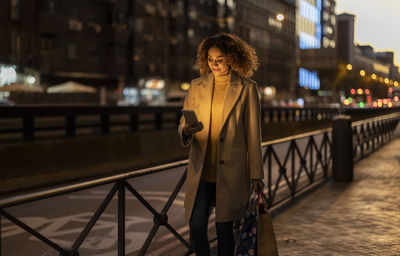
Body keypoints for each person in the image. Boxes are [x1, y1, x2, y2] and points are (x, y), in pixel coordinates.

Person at [178, 33, 264, 256]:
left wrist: (256, 175)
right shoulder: (197, 86)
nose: (214, 65)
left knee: (224, 228)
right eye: (209, 59)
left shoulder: (247, 88)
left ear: (232, 58)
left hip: (232, 171)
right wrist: (187, 129)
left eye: (220, 59)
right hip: (202, 170)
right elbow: (182, 124)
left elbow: (254, 134)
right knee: (196, 225)